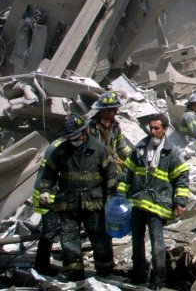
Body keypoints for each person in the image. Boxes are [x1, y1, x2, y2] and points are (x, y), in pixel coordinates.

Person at [38, 113, 117, 282]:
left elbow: (111, 175)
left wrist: (110, 198)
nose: (73, 140)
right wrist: (45, 189)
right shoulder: (61, 151)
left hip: (94, 203)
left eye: (75, 136)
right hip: (68, 203)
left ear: (84, 131)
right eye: (70, 137)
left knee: (99, 238)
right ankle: (74, 271)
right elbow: (49, 173)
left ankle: (104, 270)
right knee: (69, 239)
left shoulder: (99, 149)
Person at [118, 113, 189, 289]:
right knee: (137, 241)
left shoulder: (172, 152)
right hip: (138, 202)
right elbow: (128, 172)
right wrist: (121, 194)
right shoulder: (140, 148)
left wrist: (180, 201)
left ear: (165, 129)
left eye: (156, 128)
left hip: (158, 205)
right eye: (151, 128)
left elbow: (182, 177)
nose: (152, 131)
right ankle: (138, 272)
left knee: (157, 243)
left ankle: (159, 277)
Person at [32, 135, 65, 276]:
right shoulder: (62, 147)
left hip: (47, 192)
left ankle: (42, 265)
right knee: (49, 232)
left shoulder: (59, 142)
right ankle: (41, 267)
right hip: (48, 195)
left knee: (51, 231)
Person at [87, 91, 131, 170]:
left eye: (114, 109)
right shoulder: (90, 128)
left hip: (112, 163)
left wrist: (134, 155)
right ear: (101, 110)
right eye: (108, 110)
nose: (112, 113)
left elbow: (121, 146)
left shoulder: (115, 127)